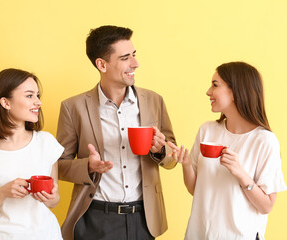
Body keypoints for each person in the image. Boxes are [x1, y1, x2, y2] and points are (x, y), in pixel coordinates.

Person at [56, 25, 177, 240]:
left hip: (144, 219)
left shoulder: (154, 101)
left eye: (134, 55)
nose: (135, 63)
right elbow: (60, 165)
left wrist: (161, 150)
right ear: (102, 64)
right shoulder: (73, 107)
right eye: (125, 58)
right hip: (95, 218)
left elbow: (171, 158)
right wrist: (87, 166)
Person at [167, 61, 287, 240]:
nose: (208, 92)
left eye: (215, 85)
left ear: (235, 92)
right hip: (199, 234)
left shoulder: (264, 141)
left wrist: (240, 173)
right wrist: (185, 164)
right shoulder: (207, 130)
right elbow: (196, 189)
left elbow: (266, 206)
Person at [0, 68, 64, 239]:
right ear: (6, 103)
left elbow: (54, 202)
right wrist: (3, 192)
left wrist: (49, 196)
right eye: (29, 95)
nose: (38, 102)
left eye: (37, 96)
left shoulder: (46, 143)